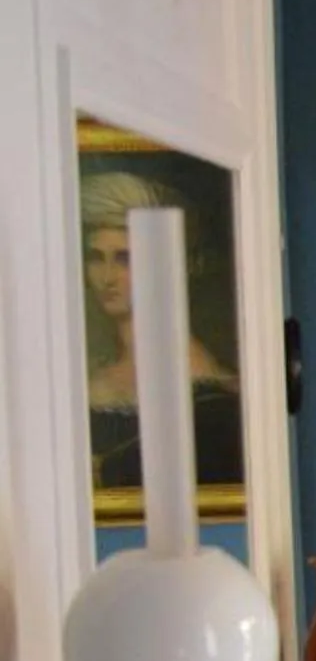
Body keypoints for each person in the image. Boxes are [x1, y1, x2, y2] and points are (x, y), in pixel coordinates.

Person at [81, 169, 242, 497]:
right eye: (96, 258)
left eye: (124, 259)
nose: (107, 277)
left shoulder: (212, 389)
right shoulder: (90, 381)